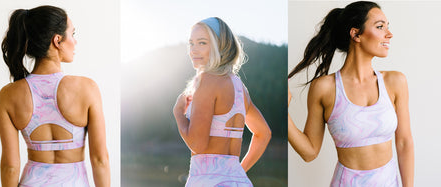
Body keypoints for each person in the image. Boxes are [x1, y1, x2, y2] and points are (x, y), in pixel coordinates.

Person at [287, 1, 413, 186]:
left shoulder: (395, 82)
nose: (389, 34)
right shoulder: (324, 88)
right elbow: (309, 152)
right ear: (356, 34)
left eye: (388, 27)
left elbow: (404, 142)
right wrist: (285, 114)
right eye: (380, 26)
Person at [0, 5, 110, 187]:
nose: (75, 42)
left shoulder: (8, 95)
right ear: (57, 40)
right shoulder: (87, 88)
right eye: (72, 34)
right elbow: (100, 159)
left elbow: (10, 167)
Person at [173, 17, 271, 186]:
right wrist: (238, 172)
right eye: (191, 43)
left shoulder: (206, 80)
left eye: (202, 43)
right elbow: (264, 133)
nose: (193, 50)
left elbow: (198, 144)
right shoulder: (240, 88)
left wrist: (178, 114)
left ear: (219, 45)